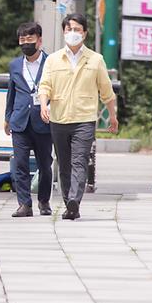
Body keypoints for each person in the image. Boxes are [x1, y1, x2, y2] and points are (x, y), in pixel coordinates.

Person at [38, 13, 117, 221]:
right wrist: (43, 104)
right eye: (69, 29)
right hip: (59, 118)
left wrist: (113, 116)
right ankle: (69, 204)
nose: (73, 33)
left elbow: (106, 91)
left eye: (77, 29)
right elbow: (45, 85)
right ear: (63, 32)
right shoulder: (53, 59)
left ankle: (75, 199)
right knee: (63, 164)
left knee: (79, 161)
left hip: (84, 119)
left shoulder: (95, 59)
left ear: (85, 33)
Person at [4, 22, 53, 218]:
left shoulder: (51, 62)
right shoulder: (15, 65)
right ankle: (24, 204)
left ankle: (43, 200)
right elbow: (11, 92)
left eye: (30, 39)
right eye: (22, 40)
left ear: (39, 40)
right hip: (20, 121)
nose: (25, 43)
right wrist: (8, 117)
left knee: (45, 165)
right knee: (20, 164)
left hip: (44, 121)